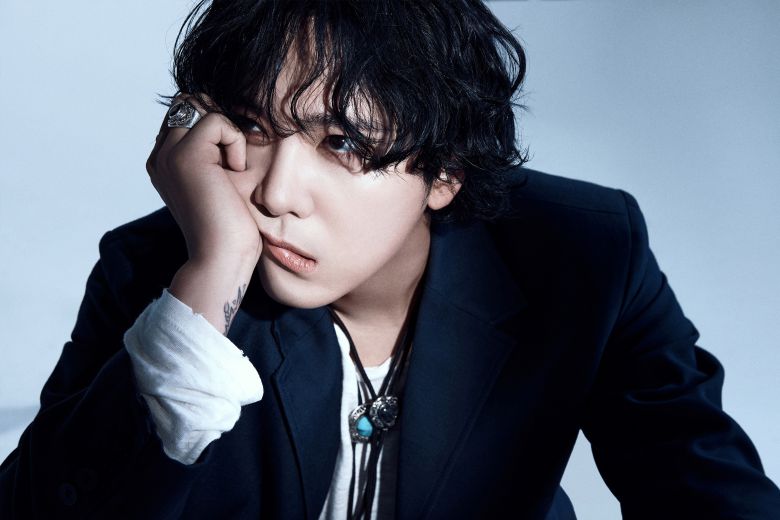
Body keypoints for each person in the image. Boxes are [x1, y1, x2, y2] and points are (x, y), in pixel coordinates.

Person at [2, 0, 779, 518]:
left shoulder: (584, 253)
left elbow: (706, 488)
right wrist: (209, 285)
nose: (275, 193)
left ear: (445, 173)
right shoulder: (164, 271)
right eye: (255, 127)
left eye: (343, 144)